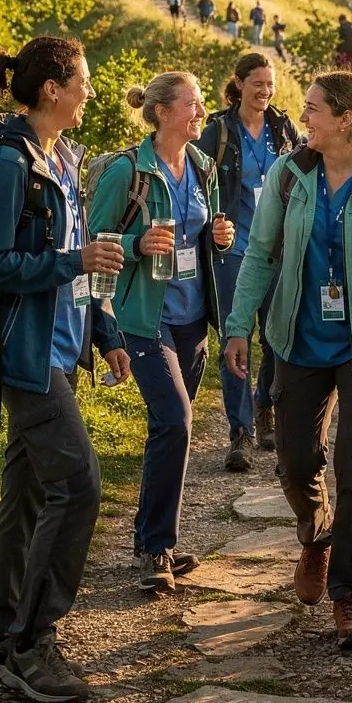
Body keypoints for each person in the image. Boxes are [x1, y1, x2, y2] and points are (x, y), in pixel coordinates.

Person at [224, 72, 352, 649]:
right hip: (297, 341)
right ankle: (317, 536)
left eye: (312, 109)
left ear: (345, 118)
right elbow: (260, 255)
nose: (303, 117)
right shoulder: (289, 175)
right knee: (293, 460)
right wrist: (240, 326)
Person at [0, 36, 131, 703]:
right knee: (81, 485)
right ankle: (33, 646)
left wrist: (107, 331)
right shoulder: (7, 165)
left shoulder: (62, 159)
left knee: (29, 493)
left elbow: (77, 265)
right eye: (82, 80)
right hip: (23, 355)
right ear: (52, 88)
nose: (90, 90)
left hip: (60, 347)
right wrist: (75, 263)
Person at [88, 73, 235, 593]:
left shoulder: (202, 166)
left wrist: (220, 236)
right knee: (174, 420)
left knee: (172, 428)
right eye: (194, 105)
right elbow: (94, 246)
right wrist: (135, 245)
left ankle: (154, 540)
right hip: (143, 319)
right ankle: (155, 549)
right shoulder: (128, 172)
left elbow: (206, 236)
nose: (202, 113)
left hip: (193, 318)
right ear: (164, 112)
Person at [199, 53, 302, 468]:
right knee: (235, 339)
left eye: (270, 84)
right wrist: (210, 227)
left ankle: (265, 407)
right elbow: (194, 184)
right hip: (233, 251)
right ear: (239, 84)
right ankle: (239, 432)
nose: (265, 91)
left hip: (278, 250)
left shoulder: (283, 128)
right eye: (257, 83)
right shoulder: (218, 131)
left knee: (277, 337)